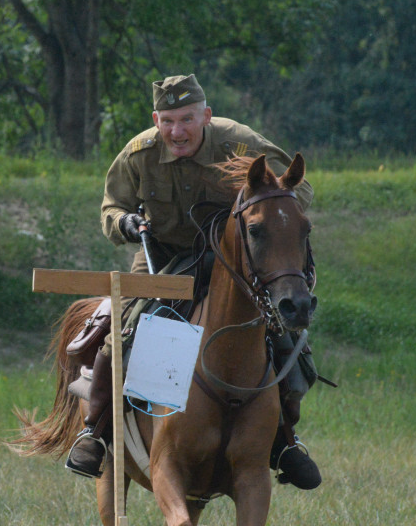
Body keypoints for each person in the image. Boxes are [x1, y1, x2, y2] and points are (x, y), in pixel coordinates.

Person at [65, 74, 322, 490]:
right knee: (123, 329)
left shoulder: (239, 142)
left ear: (206, 115)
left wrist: (261, 203)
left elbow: (298, 189)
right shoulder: (139, 153)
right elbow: (110, 208)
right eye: (167, 120)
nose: (177, 131)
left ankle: (284, 442)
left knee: (283, 333)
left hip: (232, 260)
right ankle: (94, 432)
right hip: (160, 260)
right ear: (156, 119)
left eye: (186, 119)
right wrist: (125, 222)